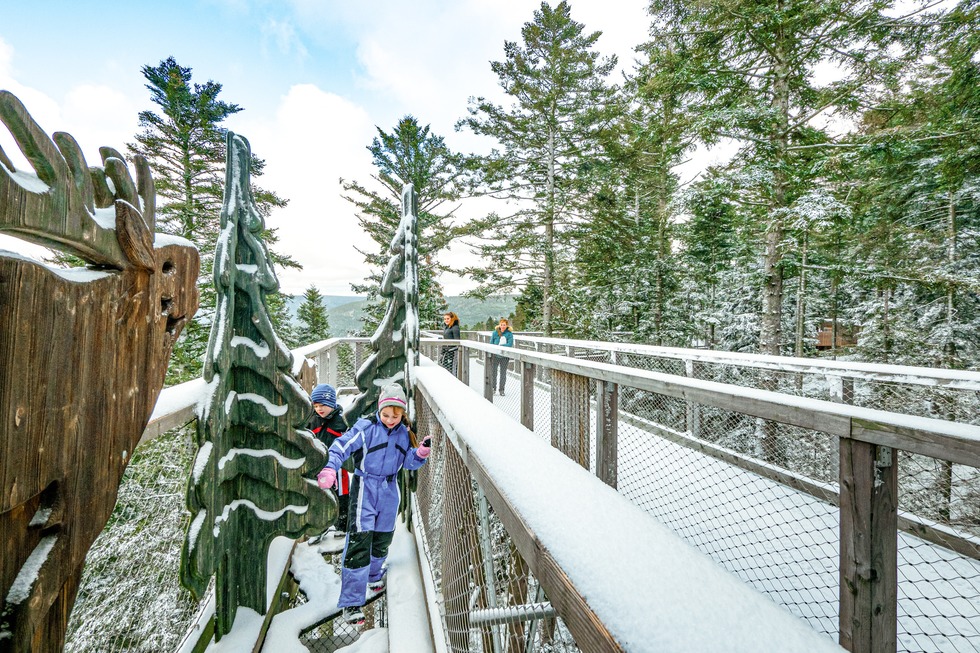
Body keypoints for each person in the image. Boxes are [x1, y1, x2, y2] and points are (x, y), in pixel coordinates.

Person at [316, 384, 432, 625]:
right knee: (359, 540)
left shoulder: (403, 432)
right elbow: (341, 446)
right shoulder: (366, 427)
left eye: (395, 415)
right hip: (365, 487)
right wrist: (329, 468)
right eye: (386, 415)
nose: (390, 420)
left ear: (402, 414)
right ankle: (351, 603)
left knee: (382, 538)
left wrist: (419, 454)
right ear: (379, 410)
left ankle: (373, 575)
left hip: (390, 490)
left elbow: (407, 463)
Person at [307, 384, 351, 537]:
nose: (319, 409)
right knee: (319, 495)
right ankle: (320, 528)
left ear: (332, 403)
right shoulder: (312, 421)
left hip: (338, 467)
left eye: (323, 405)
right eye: (316, 405)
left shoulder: (341, 421)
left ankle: (342, 526)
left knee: (341, 495)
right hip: (317, 465)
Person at [489, 317, 514, 396]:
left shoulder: (509, 334)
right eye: (501, 325)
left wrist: (500, 346)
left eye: (504, 325)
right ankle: (493, 388)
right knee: (493, 372)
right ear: (499, 325)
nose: (502, 326)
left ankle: (501, 389)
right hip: (495, 355)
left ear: (507, 326)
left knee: (503, 373)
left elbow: (509, 344)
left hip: (504, 356)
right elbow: (491, 343)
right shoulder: (495, 333)